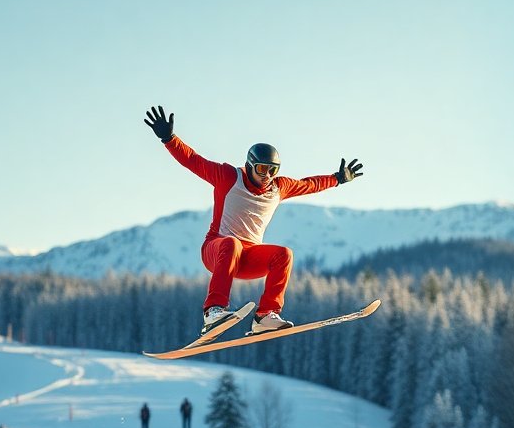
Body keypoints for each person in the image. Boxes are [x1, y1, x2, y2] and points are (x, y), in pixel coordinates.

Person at [143, 105, 363, 339]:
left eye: (272, 170)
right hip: (217, 250)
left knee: (284, 254)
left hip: (248, 258)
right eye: (261, 169)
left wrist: (337, 179)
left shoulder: (279, 188)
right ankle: (213, 312)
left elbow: (309, 184)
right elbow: (193, 161)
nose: (267, 176)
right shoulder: (228, 177)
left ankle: (265, 316)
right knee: (232, 244)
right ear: (249, 165)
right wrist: (169, 138)